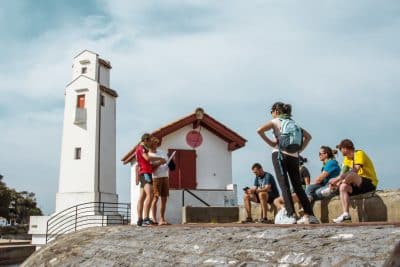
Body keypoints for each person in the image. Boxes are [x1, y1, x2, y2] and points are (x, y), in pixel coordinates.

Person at [257, 102, 318, 224]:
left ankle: (291, 215)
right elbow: (309, 137)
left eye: (272, 111)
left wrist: (272, 143)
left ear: (276, 111)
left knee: (284, 185)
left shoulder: (275, 121)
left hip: (279, 154)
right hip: (294, 156)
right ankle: (309, 215)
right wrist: (300, 150)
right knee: (298, 186)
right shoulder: (294, 124)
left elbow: (259, 130)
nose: (271, 114)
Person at [329, 139, 379, 223]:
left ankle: (338, 187)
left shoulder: (359, 153)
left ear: (345, 148)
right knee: (343, 187)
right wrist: (336, 182)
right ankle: (346, 215)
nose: (340, 151)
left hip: (369, 183)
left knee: (351, 176)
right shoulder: (346, 159)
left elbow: (355, 170)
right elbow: (343, 173)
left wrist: (338, 180)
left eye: (340, 149)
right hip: (358, 186)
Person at [135, 133, 165, 226]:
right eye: (150, 142)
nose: (150, 144)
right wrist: (160, 158)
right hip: (145, 174)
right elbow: (147, 158)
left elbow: (146, 164)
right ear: (146, 140)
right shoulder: (142, 148)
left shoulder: (139, 149)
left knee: (142, 196)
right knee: (150, 195)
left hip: (144, 173)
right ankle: (146, 218)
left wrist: (159, 163)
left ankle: (140, 219)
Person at [149, 137, 171, 226]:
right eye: (154, 144)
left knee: (164, 198)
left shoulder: (162, 152)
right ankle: (154, 219)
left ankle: (162, 219)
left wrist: (167, 164)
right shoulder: (149, 155)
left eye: (156, 144)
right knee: (155, 198)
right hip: (156, 177)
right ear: (150, 144)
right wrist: (159, 163)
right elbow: (151, 169)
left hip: (165, 176)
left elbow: (166, 162)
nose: (156, 145)